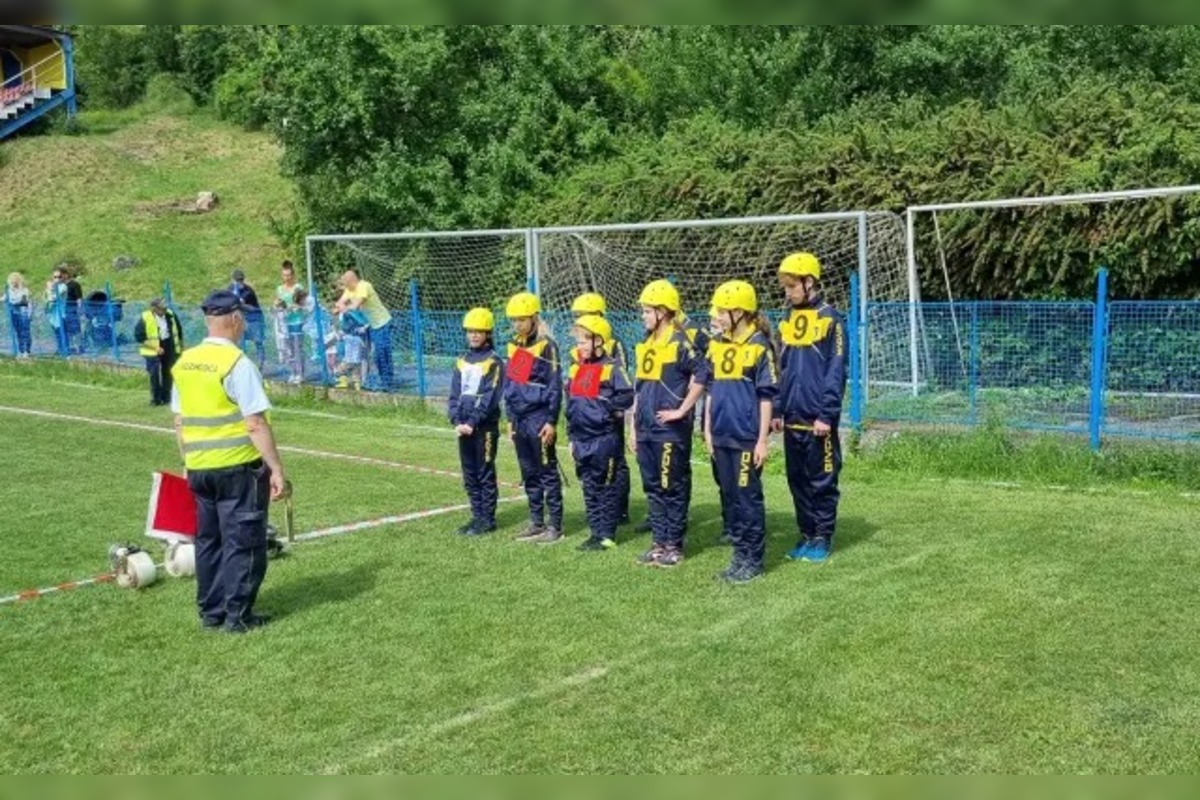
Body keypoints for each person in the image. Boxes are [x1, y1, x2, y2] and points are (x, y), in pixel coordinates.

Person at [171, 289, 287, 634]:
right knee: (243, 539)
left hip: (200, 466)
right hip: (237, 467)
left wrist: (187, 459)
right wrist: (276, 468)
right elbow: (254, 422)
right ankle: (238, 615)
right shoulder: (237, 363)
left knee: (209, 540)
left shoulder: (186, 362)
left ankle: (212, 611)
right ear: (234, 320)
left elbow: (179, 421)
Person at [629, 279, 709, 568]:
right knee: (652, 487)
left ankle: (674, 544)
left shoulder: (680, 343)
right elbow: (640, 387)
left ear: (663, 311)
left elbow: (703, 374)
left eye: (647, 311)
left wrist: (682, 410)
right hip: (645, 427)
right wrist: (632, 426)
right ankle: (658, 543)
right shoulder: (645, 343)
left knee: (670, 486)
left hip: (669, 431)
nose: (643, 316)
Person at [774, 252, 847, 564]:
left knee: (822, 481)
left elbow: (836, 370)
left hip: (818, 420)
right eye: (786, 287)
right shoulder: (787, 320)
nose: (788, 292)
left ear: (809, 282)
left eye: (792, 286)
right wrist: (777, 409)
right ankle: (806, 534)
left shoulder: (832, 320)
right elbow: (780, 367)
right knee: (797, 480)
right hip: (791, 419)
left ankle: (822, 536)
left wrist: (826, 414)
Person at [704, 281, 778, 583]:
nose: (718, 317)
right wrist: (708, 429)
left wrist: (762, 440)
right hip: (721, 434)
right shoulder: (718, 344)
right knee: (731, 496)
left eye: (722, 311)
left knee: (748, 498)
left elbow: (766, 397)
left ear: (740, 312)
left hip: (746, 437)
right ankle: (739, 555)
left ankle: (753, 559)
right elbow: (710, 390)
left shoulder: (759, 346)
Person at [566, 314, 634, 552]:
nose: (580, 345)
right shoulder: (576, 369)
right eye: (579, 341)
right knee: (589, 486)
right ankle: (596, 532)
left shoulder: (612, 368)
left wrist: (607, 410)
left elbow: (627, 395)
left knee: (607, 486)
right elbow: (571, 405)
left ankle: (606, 534)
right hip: (581, 439)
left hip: (605, 440)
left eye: (585, 340)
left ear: (599, 341)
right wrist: (571, 438)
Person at [503, 291, 565, 544]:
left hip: (539, 418)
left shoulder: (547, 346)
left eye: (521, 319)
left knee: (547, 471)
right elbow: (511, 383)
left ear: (533, 318)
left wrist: (551, 420)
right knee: (529, 472)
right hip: (519, 420)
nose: (517, 324)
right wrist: (510, 418)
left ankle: (556, 525)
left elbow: (554, 386)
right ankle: (536, 521)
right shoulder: (516, 344)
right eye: (514, 320)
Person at [449, 308, 504, 536]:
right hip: (464, 427)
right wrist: (456, 418)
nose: (473, 335)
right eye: (470, 331)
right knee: (469, 473)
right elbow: (454, 394)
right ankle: (476, 515)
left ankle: (487, 519)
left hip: (484, 428)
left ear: (488, 333)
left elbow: (490, 397)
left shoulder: (494, 362)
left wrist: (472, 421)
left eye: (478, 332)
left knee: (484, 471)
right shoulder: (461, 361)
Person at [334, 268, 393, 392]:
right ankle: (370, 380)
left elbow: (355, 305)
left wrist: (344, 307)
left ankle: (387, 381)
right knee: (367, 354)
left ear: (351, 280)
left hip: (381, 323)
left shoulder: (364, 286)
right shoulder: (349, 290)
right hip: (370, 325)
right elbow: (338, 305)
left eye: (345, 283)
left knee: (381, 353)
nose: (344, 286)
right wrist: (341, 307)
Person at [134, 297, 184, 406]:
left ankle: (167, 397)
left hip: (168, 345)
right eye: (162, 309)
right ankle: (155, 399)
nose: (164, 311)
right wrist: (156, 348)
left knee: (168, 372)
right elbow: (139, 337)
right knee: (154, 374)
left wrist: (180, 347)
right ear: (154, 309)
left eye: (165, 308)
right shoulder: (145, 317)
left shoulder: (171, 315)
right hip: (151, 350)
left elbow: (178, 332)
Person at [229, 268, 265, 369]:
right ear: (233, 280)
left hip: (254, 318)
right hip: (241, 318)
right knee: (240, 343)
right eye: (237, 280)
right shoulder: (230, 289)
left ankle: (260, 365)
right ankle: (242, 366)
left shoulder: (248, 291)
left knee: (258, 341)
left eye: (241, 280)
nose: (240, 282)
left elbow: (240, 304)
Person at [335, 308, 369, 389]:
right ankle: (358, 385)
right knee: (356, 373)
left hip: (348, 360)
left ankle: (344, 382)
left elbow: (339, 337)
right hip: (357, 360)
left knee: (338, 371)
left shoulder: (346, 336)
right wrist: (364, 327)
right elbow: (364, 345)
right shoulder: (359, 339)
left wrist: (337, 332)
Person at [5, 272, 32, 358]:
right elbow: (4, 298)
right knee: (18, 333)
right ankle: (21, 351)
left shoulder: (24, 290)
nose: (12, 284)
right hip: (14, 314)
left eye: (13, 282)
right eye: (11, 282)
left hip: (24, 314)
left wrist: (14, 303)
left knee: (25, 333)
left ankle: (27, 351)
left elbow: (24, 302)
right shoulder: (9, 291)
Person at [44, 268, 69, 356]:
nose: (57, 279)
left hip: (60, 313)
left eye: (59, 277)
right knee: (56, 332)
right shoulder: (52, 287)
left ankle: (65, 350)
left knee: (62, 331)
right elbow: (46, 299)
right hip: (52, 313)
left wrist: (50, 289)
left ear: (62, 278)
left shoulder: (63, 286)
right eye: (55, 277)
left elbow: (54, 297)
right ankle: (60, 348)